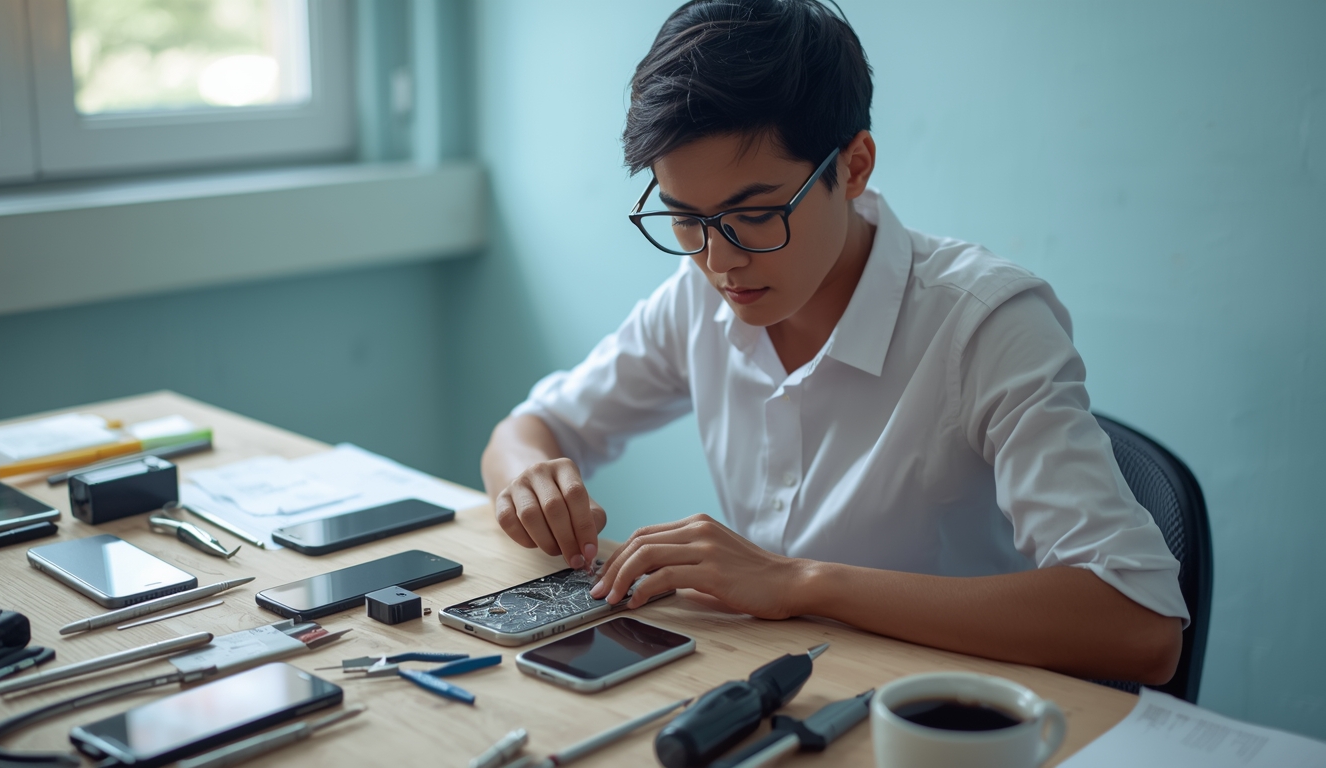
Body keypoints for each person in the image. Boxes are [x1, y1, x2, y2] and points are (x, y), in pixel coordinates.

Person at [480, 0, 1187, 684]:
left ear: (853, 167)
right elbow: (532, 428)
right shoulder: (698, 298)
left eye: (754, 215)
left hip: (950, 718)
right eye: (684, 218)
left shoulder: (984, 323)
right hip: (786, 688)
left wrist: (799, 583)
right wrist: (530, 478)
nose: (719, 260)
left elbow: (1139, 625)